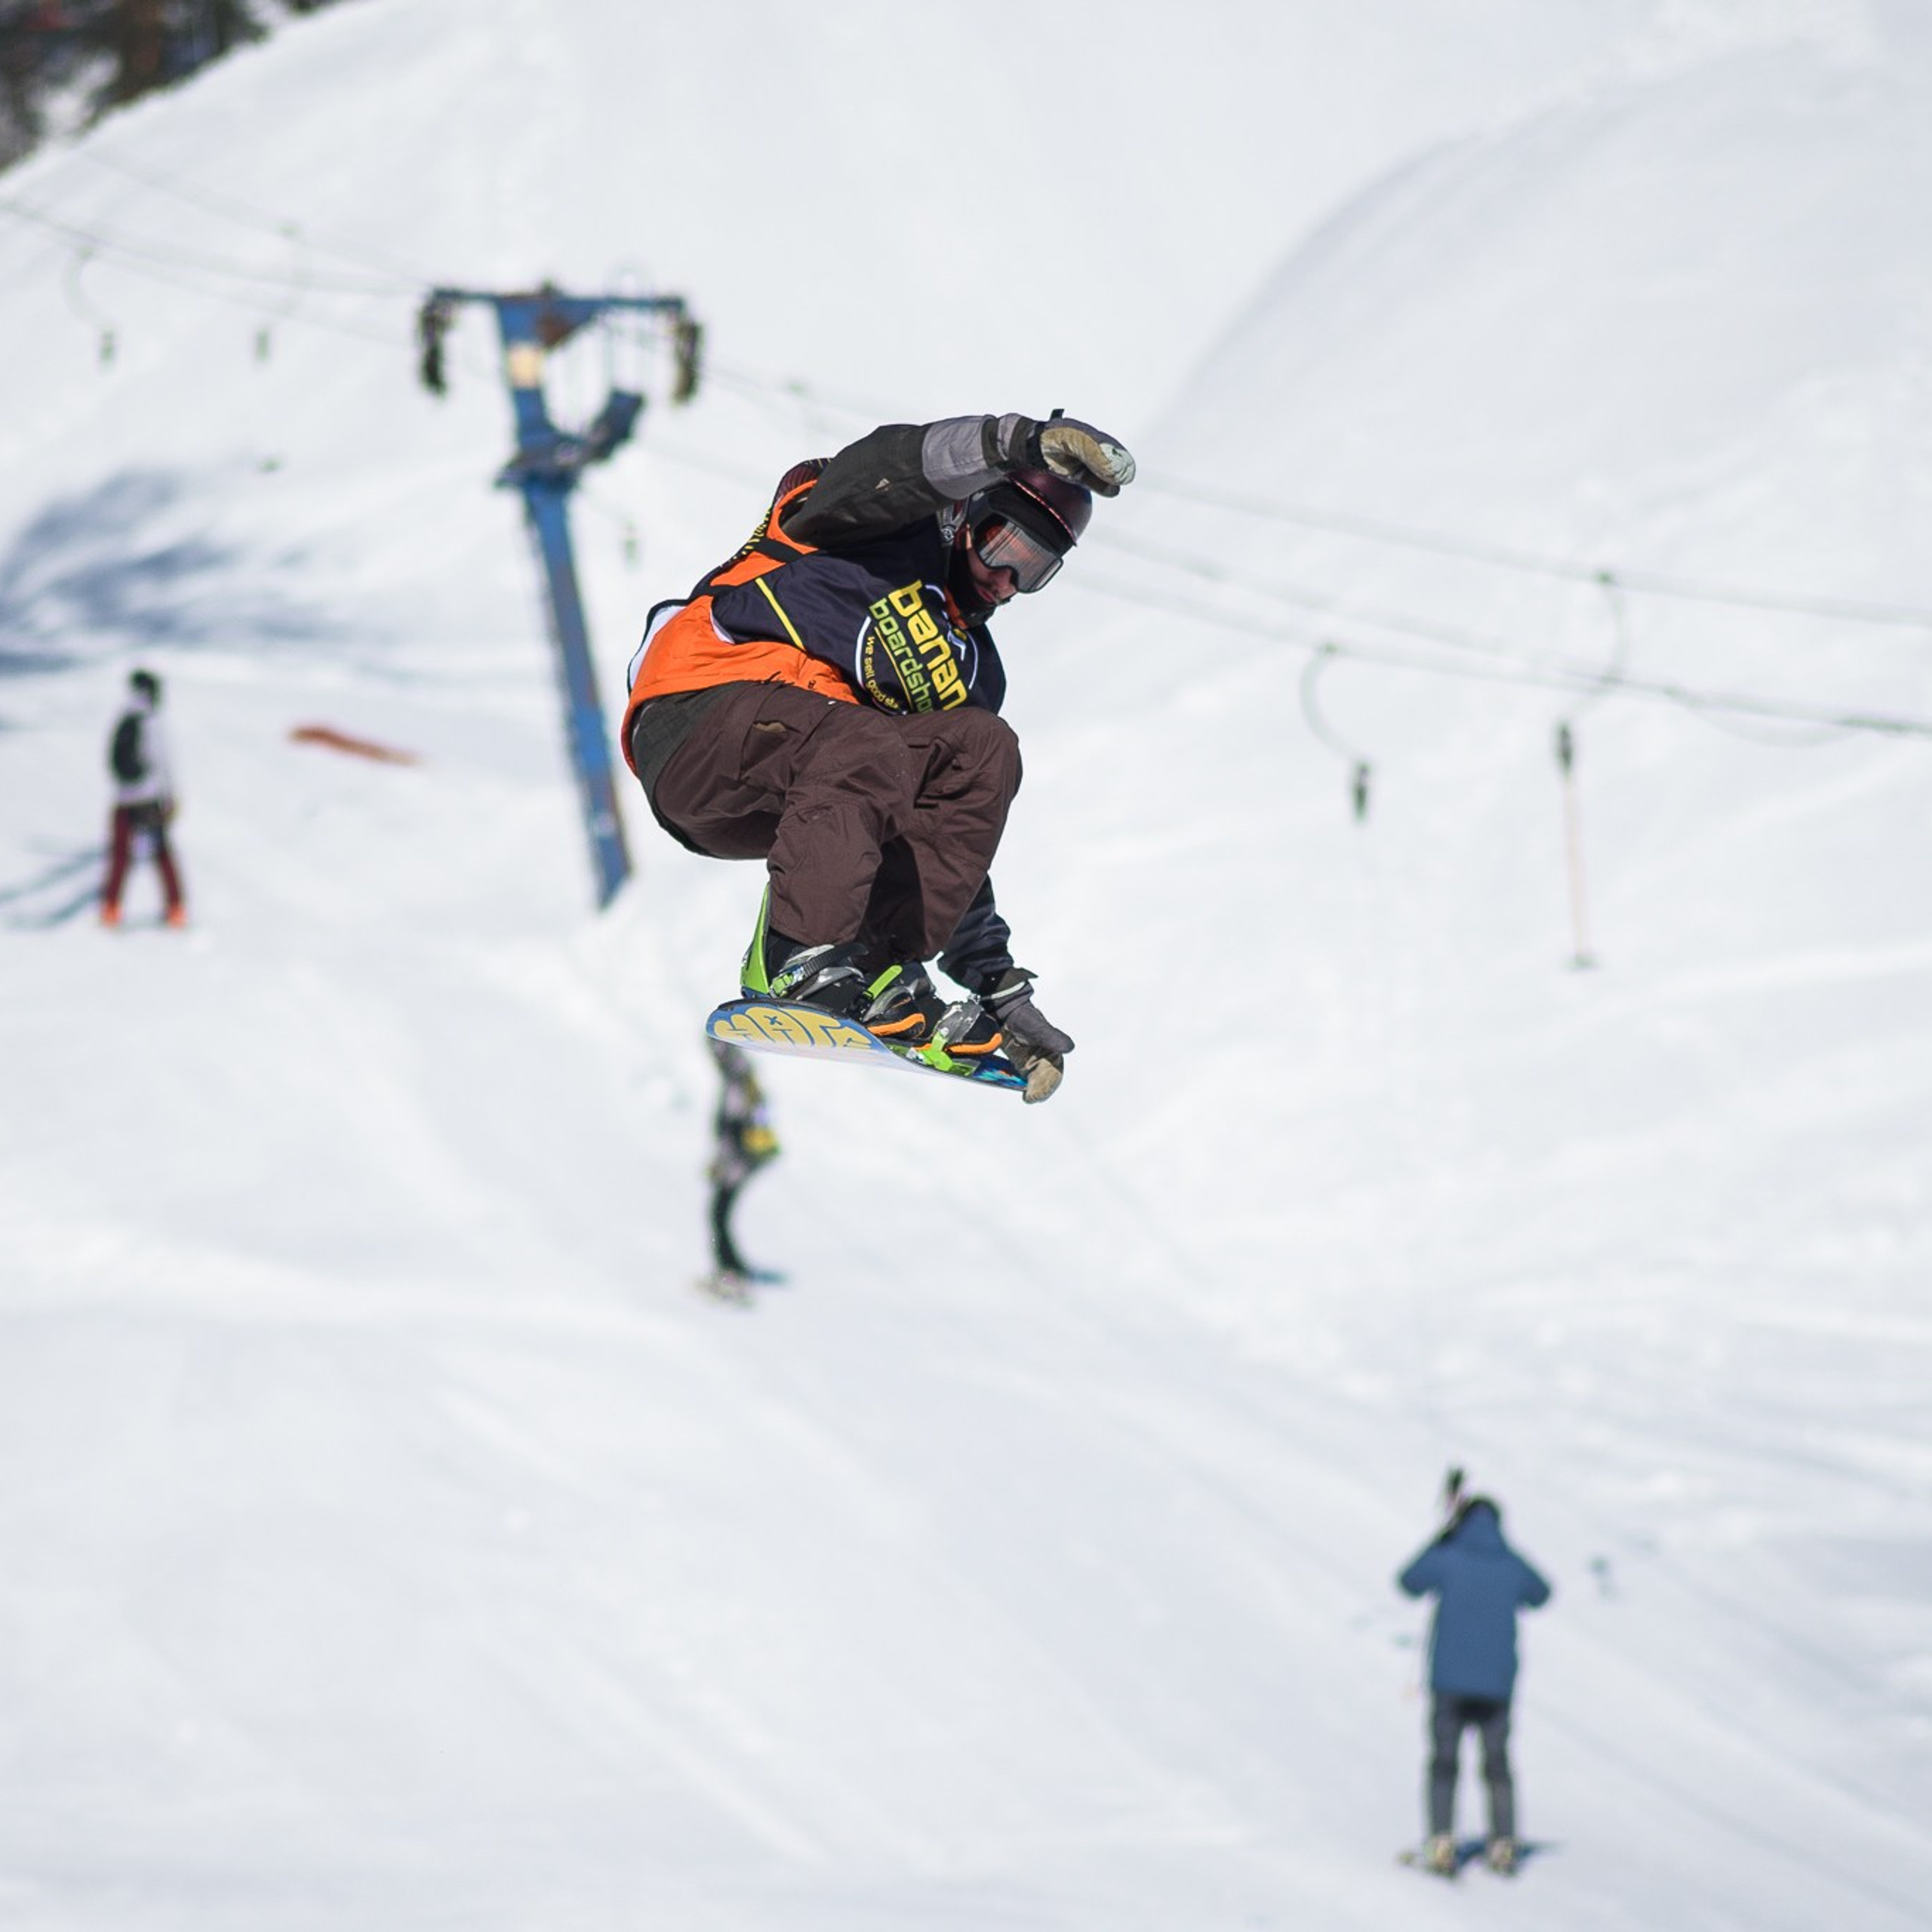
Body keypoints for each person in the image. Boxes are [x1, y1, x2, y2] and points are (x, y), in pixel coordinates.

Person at [619, 410, 1137, 1102]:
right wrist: (1015, 444)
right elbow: (890, 466)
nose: (1006, 581)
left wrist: (998, 986)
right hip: (700, 719)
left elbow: (941, 832)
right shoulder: (870, 528)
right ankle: (794, 956)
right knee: (860, 737)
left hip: (796, 794)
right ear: (964, 515)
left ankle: (873, 961)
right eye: (1002, 545)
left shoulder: (972, 670)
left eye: (1034, 571)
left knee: (982, 748)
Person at [1396, 1494, 1552, 1875]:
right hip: (1498, 1686)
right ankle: (1503, 1844)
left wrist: (1441, 1538)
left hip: (1449, 1683)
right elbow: (1541, 1594)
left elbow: (1408, 1582)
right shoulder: (1511, 1562)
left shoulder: (1448, 1556)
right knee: (1497, 1765)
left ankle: (1441, 1843)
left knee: (1444, 1763)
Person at [100, 668, 187, 929]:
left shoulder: (125, 716)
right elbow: (164, 761)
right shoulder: (153, 720)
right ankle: (175, 907)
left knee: (119, 854)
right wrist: (171, 795)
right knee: (161, 853)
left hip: (123, 798)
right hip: (149, 798)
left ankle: (111, 907)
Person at [706, 1038, 780, 1291]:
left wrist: (724, 1163)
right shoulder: (742, 1079)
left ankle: (730, 1271)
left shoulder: (737, 1080)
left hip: (738, 1161)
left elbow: (734, 1126)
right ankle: (732, 1266)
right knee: (719, 1216)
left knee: (718, 1216)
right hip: (740, 1160)